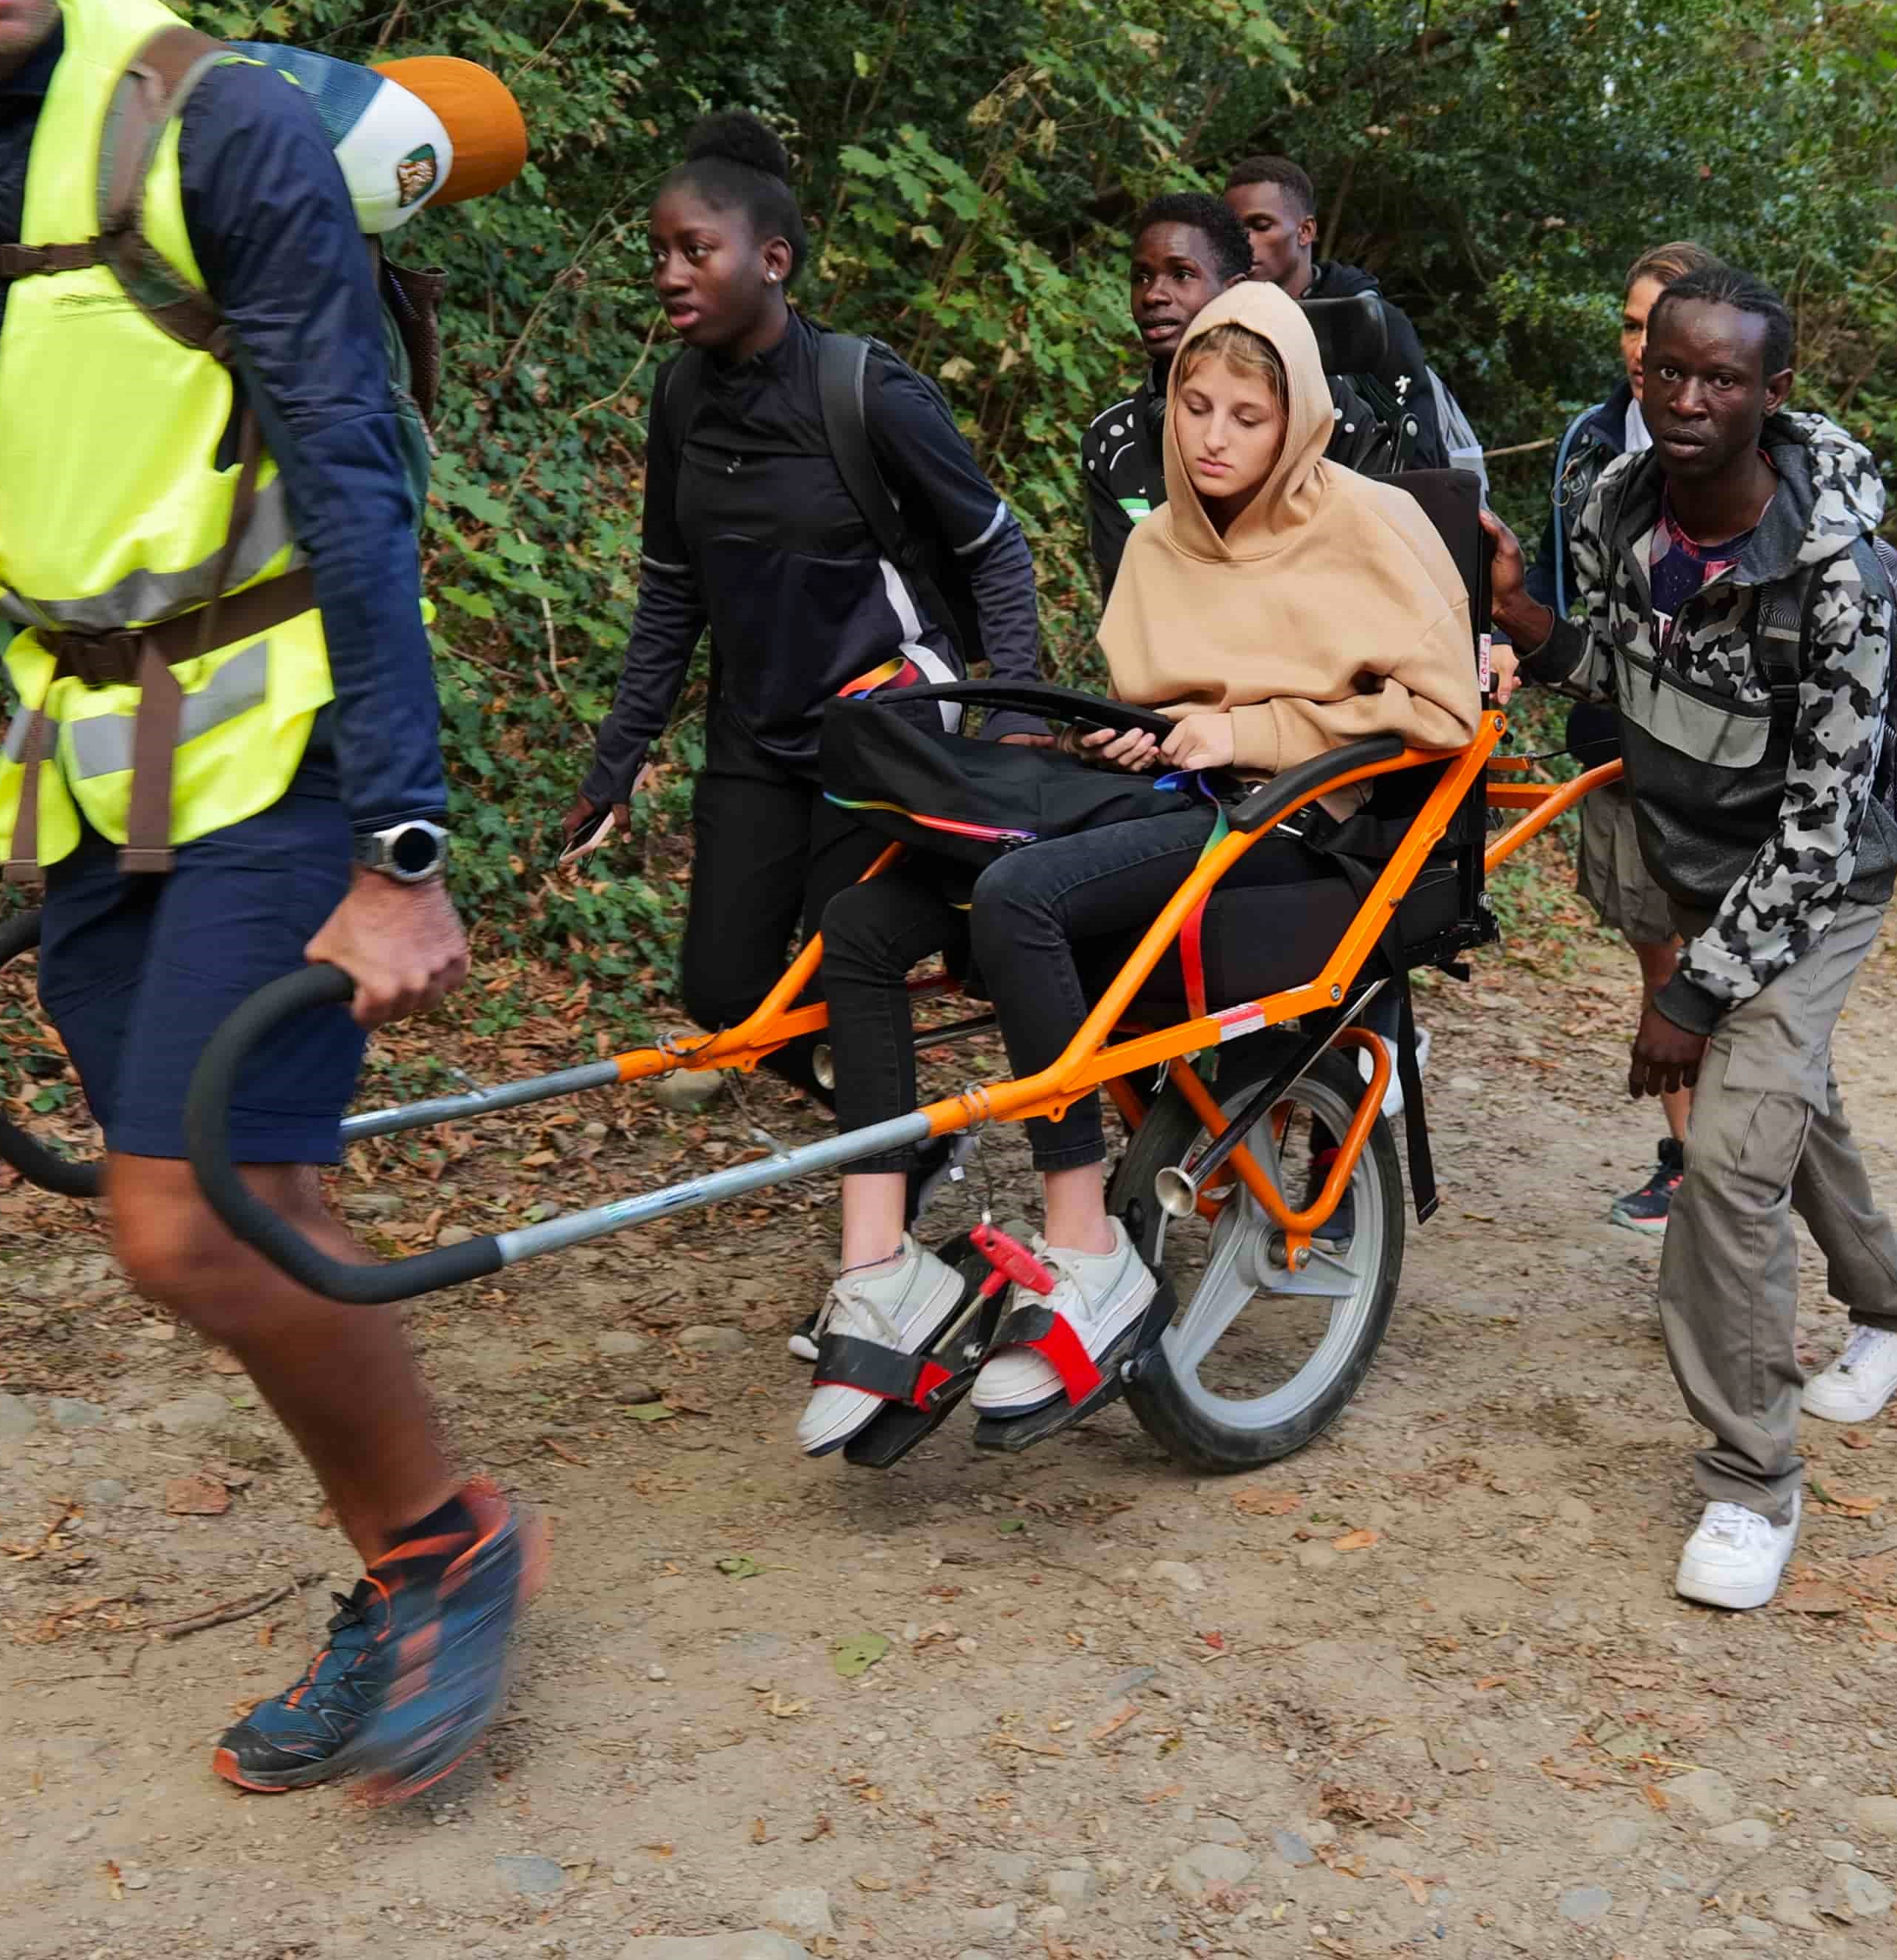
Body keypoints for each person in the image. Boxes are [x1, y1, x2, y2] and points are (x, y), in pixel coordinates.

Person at [0, 0, 526, 1803]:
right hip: (95, 747)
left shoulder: (213, 134)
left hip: (282, 728)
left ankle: (448, 1549)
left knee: (186, 1231)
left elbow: (358, 496)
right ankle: (409, 1565)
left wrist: (402, 846)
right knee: (257, 1203)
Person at [793, 282, 1482, 1451]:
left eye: (1246, 417)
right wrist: (1137, 728)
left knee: (1019, 899)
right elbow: (1154, 700)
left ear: (1297, 420)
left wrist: (1248, 731)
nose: (1213, 437)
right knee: (863, 923)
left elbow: (1439, 707)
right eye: (1196, 407)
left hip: (1299, 834)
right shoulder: (1163, 537)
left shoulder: (1367, 522)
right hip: (1161, 809)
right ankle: (881, 1268)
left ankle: (1087, 1249)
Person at [1486, 263, 1897, 1612]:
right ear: (1641, 379)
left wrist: (1691, 991)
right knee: (1790, 1105)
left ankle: (1753, 1481)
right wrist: (1530, 623)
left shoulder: (1840, 584)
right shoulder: (1619, 502)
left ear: (1773, 396)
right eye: (1669, 372)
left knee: (1731, 1165)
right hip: (1694, 851)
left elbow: (1818, 836)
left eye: (1724, 379)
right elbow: (1631, 675)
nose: (1692, 400)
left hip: (1816, 886)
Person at [559, 118, 1044, 1053]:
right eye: (659, 252)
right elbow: (671, 590)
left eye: (695, 250)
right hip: (757, 731)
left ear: (772, 259)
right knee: (724, 991)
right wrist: (617, 760)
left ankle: (895, 1166)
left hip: (884, 718)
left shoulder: (863, 390)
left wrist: (1015, 711)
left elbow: (992, 544)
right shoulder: (677, 398)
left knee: (839, 971)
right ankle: (888, 1136)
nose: (668, 273)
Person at [1526, 241, 1721, 1232]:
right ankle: (1690, 1160)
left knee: (1728, 960)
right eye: (1632, 325)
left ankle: (1739, 1166)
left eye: (1664, 324)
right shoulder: (1590, 442)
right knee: (1659, 961)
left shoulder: (1752, 447)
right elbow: (1563, 590)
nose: (1643, 346)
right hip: (1617, 746)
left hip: (1725, 761)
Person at [1222, 151, 1482, 482]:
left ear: (1305, 231)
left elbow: (1420, 454)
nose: (1244, 244)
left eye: (1261, 226)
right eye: (1233, 230)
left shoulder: (1371, 325)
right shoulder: (1220, 326)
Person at [1077, 192, 1258, 595]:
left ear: (1235, 291)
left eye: (1181, 274)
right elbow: (1125, 600)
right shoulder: (1112, 440)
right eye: (1141, 276)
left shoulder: (1312, 414)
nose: (1153, 294)